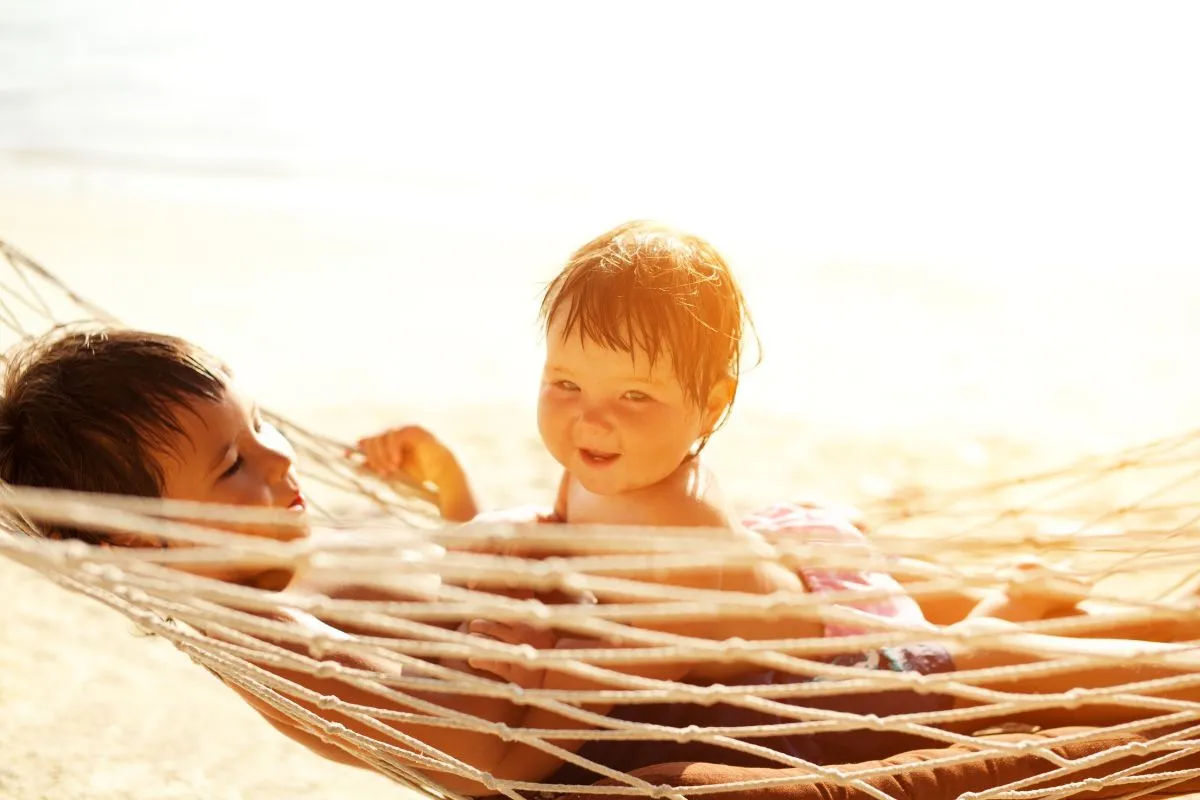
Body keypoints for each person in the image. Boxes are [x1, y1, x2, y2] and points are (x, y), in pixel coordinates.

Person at [5, 324, 1200, 797]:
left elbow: (456, 640)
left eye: (262, 435)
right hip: (727, 715)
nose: (281, 469)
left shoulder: (280, 580)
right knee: (1066, 678)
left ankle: (1021, 605)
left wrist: (461, 523)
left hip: (688, 652)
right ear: (134, 553)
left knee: (1002, 624)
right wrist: (511, 573)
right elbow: (484, 751)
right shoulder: (280, 655)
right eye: (235, 472)